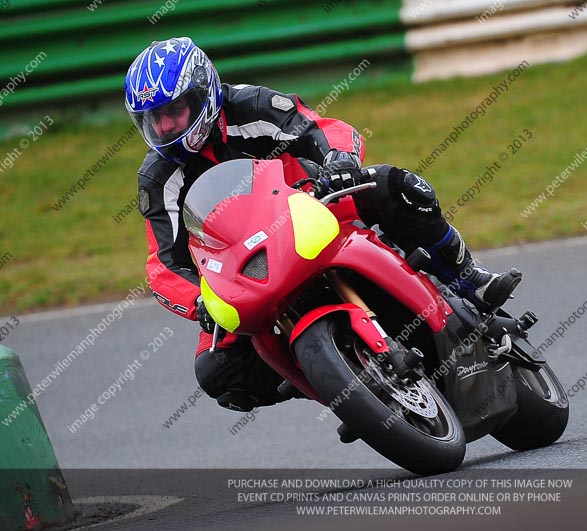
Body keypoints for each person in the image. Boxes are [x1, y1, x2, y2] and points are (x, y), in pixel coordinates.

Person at [125, 37, 521, 412]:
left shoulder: (252, 105)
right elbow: (163, 264)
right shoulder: (158, 179)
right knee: (217, 369)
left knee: (393, 185)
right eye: (153, 120)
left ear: (204, 92)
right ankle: (342, 385)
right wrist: (199, 300)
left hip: (314, 210)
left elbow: (324, 130)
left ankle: (469, 277)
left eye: (174, 113)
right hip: (246, 268)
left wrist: (339, 163)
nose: (166, 129)